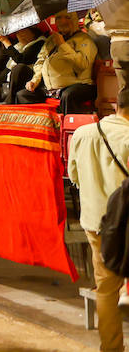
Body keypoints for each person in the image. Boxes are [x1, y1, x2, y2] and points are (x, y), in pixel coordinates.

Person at [70, 89, 129, 352]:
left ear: (117, 105)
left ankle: (111, 348)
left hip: (97, 224)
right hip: (127, 226)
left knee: (106, 290)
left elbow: (74, 176)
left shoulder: (83, 133)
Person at [16, 11, 98, 113]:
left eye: (67, 17)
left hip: (78, 85)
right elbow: (40, 61)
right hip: (51, 89)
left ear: (74, 20)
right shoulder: (52, 39)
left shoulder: (84, 39)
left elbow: (82, 65)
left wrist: (63, 45)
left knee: (68, 95)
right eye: (59, 18)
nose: (62, 21)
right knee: (23, 95)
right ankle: (41, 125)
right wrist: (34, 80)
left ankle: (65, 127)